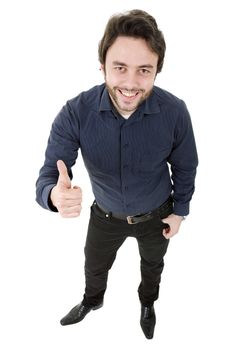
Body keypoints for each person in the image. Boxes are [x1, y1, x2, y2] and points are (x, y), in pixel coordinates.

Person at [36, 9, 198, 339]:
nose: (130, 83)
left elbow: (185, 166)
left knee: (153, 267)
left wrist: (180, 212)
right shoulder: (75, 112)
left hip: (157, 216)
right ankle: (91, 301)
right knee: (94, 265)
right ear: (103, 66)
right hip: (105, 215)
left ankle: (147, 304)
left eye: (144, 70)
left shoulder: (175, 112)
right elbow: (49, 175)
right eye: (120, 68)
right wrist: (54, 194)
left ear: (157, 72)